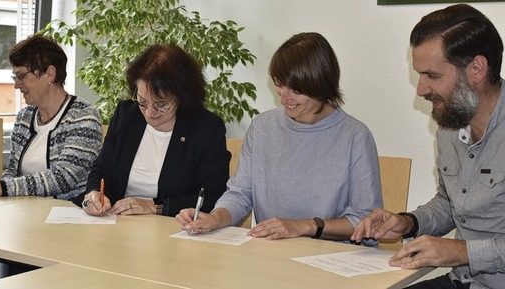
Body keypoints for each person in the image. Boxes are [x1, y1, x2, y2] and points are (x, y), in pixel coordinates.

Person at [351, 4, 504, 289]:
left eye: (432, 76)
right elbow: (451, 203)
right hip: (463, 281)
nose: (421, 89)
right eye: (419, 75)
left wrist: (461, 252)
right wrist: (408, 223)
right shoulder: (451, 123)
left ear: (476, 69)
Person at [177, 32, 383, 242]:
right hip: (273, 253)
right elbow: (240, 194)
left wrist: (303, 226)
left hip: (331, 257)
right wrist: (215, 218)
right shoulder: (262, 127)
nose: (284, 98)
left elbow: (365, 219)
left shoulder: (355, 137)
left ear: (320, 85)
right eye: (279, 84)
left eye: (295, 90)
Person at [0, 34, 102, 287]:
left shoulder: (84, 116)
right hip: (22, 220)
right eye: (15, 77)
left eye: (22, 76)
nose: (16, 85)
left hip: (64, 227)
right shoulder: (25, 116)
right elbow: (14, 170)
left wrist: (3, 188)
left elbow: (65, 177)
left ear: (50, 74)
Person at [75, 44, 230, 217]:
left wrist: (154, 206)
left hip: (173, 228)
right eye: (142, 101)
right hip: (118, 223)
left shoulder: (206, 129)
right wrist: (95, 195)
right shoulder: (127, 115)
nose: (149, 113)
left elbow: (210, 196)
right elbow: (102, 170)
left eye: (160, 105)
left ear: (182, 96)